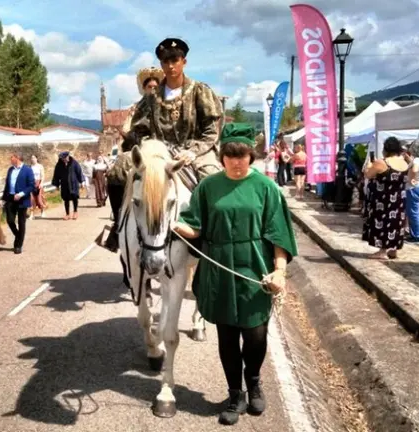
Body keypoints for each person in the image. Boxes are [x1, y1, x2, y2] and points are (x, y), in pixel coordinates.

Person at [173, 123, 298, 426]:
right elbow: (196, 228)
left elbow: (279, 234)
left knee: (255, 335)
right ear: (222, 156)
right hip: (219, 269)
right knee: (227, 336)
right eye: (230, 155)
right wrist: (173, 224)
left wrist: (279, 271)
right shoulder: (207, 187)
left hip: (255, 269)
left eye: (242, 155)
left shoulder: (266, 188)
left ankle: (253, 382)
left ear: (250, 156)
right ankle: (234, 394)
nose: (236, 161)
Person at [128, 37, 224, 189]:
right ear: (161, 65)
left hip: (197, 152)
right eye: (165, 62)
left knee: (212, 178)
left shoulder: (200, 91)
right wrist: (151, 146)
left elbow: (212, 130)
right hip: (159, 152)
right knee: (123, 173)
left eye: (175, 60)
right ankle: (122, 212)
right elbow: (139, 130)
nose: (170, 66)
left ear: (184, 62)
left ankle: (214, 212)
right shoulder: (150, 97)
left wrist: (192, 152)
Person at [363, 137, 408, 259]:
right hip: (399, 199)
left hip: (383, 199)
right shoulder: (404, 163)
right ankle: (393, 250)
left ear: (386, 149)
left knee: (383, 222)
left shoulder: (382, 162)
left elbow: (368, 175)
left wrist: (369, 166)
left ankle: (382, 251)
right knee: (396, 223)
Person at [1, 153, 35, 254]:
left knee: (21, 222)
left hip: (22, 199)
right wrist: (3, 199)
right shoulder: (10, 169)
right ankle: (18, 235)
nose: (10, 160)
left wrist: (21, 194)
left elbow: (31, 186)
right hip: (10, 198)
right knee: (10, 220)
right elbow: (7, 185)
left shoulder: (27, 170)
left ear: (18, 159)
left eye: (12, 158)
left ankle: (18, 245)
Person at [52, 151, 84, 221]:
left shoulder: (74, 163)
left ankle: (75, 212)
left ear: (68, 156)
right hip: (64, 184)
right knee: (66, 199)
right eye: (62, 158)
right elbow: (56, 175)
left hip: (74, 183)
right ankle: (67, 214)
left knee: (74, 197)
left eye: (65, 158)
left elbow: (79, 172)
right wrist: (57, 184)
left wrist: (81, 182)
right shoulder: (59, 164)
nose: (64, 159)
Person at [405, 141, 419, 243]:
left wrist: (411, 178)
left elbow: (415, 169)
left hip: (413, 188)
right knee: (415, 212)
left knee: (413, 213)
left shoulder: (416, 161)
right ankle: (414, 233)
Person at [29, 155, 47, 220]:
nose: (33, 159)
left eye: (34, 158)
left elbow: (42, 176)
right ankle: (32, 214)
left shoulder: (40, 166)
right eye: (32, 158)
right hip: (31, 184)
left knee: (40, 199)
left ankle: (42, 211)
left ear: (36, 158)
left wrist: (41, 183)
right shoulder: (30, 167)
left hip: (38, 183)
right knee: (31, 199)